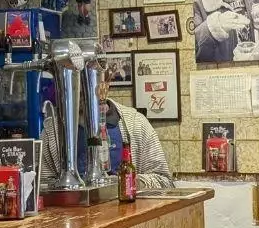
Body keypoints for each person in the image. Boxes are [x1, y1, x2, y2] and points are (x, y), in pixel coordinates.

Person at [39, 63, 173, 189]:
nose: (80, 90)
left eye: (87, 83)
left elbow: (164, 181)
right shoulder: (52, 132)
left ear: (106, 82)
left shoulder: (136, 123)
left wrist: (128, 182)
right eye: (73, 84)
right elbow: (42, 187)